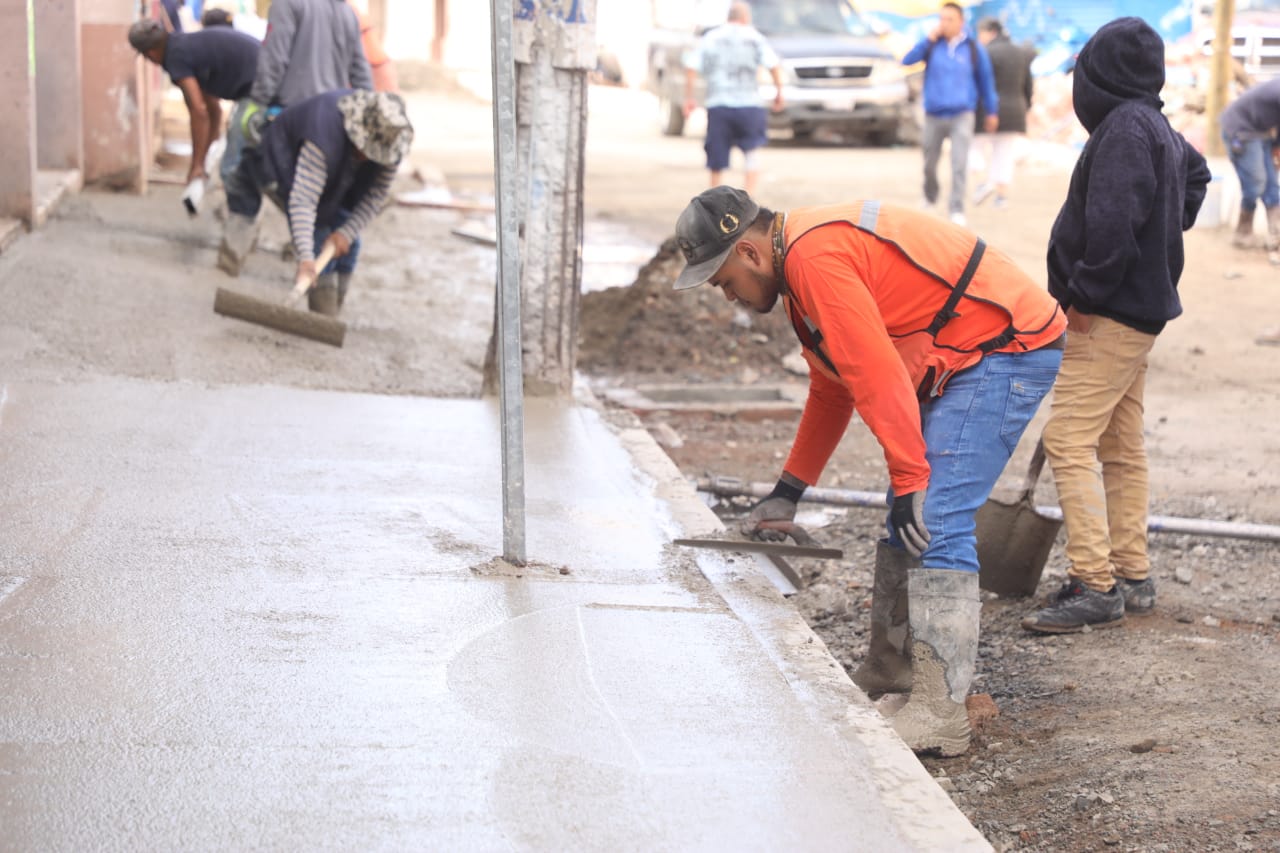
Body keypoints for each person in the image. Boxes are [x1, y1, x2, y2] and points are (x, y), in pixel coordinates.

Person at [671, 185, 1067, 756]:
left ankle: (941, 714)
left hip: (1006, 346)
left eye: (724, 281)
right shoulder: (800, 275)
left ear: (750, 253)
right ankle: (890, 672)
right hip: (966, 347)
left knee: (936, 515)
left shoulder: (815, 260)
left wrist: (910, 482)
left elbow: (876, 375)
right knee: (908, 513)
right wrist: (788, 492)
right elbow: (833, 389)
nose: (729, 296)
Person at [1022, 18, 1209, 634]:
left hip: (1108, 314)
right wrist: (1165, 226)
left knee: (1070, 440)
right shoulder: (1152, 123)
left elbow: (1111, 225)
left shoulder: (1126, 128)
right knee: (1120, 446)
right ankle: (1132, 572)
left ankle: (1095, 585)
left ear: (1096, 78)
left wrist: (1084, 294)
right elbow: (1197, 173)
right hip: (1140, 312)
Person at [225, 89, 412, 315]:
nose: (368, 156)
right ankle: (322, 310)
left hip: (341, 179)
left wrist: (346, 233)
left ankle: (329, 316)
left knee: (350, 245)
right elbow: (304, 200)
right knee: (318, 237)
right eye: (365, 150)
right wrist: (305, 258)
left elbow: (375, 197)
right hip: (283, 163)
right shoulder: (322, 132)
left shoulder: (392, 142)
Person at [219, 0, 373, 276]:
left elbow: (274, 58)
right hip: (335, 123)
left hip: (291, 118)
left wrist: (257, 103)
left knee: (241, 172)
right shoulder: (346, 12)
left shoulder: (288, 3)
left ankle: (233, 254)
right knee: (322, 195)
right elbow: (361, 71)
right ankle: (319, 278)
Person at [126, 19, 260, 190]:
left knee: (230, 166)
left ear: (150, 54)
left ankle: (242, 215)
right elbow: (213, 109)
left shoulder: (176, 57)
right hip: (261, 81)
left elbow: (199, 111)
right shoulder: (184, 46)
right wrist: (204, 159)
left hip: (261, 87)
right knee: (240, 158)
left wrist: (196, 165)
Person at [901, 2, 998, 226]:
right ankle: (929, 196)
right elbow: (907, 61)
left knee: (959, 163)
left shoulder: (973, 49)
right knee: (929, 161)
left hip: (962, 114)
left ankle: (956, 207)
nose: (944, 23)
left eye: (949, 19)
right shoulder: (932, 46)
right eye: (941, 19)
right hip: (934, 114)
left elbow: (986, 82)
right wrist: (928, 40)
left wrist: (992, 111)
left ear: (961, 22)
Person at [682, 2, 784, 196]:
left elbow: (691, 66)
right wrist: (779, 92)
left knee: (716, 158)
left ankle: (713, 201)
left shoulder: (711, 38)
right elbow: (773, 64)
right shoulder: (755, 37)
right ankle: (749, 199)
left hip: (719, 104)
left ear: (728, 17)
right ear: (746, 18)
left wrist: (689, 98)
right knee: (751, 153)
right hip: (750, 105)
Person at [971, 18, 1033, 209]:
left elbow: (978, 84)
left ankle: (985, 183)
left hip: (989, 110)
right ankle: (1001, 197)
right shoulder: (1020, 53)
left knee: (974, 147)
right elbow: (1028, 85)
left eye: (980, 32)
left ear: (990, 32)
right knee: (1004, 154)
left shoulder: (986, 53)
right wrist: (1026, 106)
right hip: (1016, 109)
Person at [1219, 78, 1280, 249]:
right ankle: (1243, 233)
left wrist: (1276, 146)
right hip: (1242, 129)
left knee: (1272, 185)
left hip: (1261, 129)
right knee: (1255, 185)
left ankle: (1276, 235)